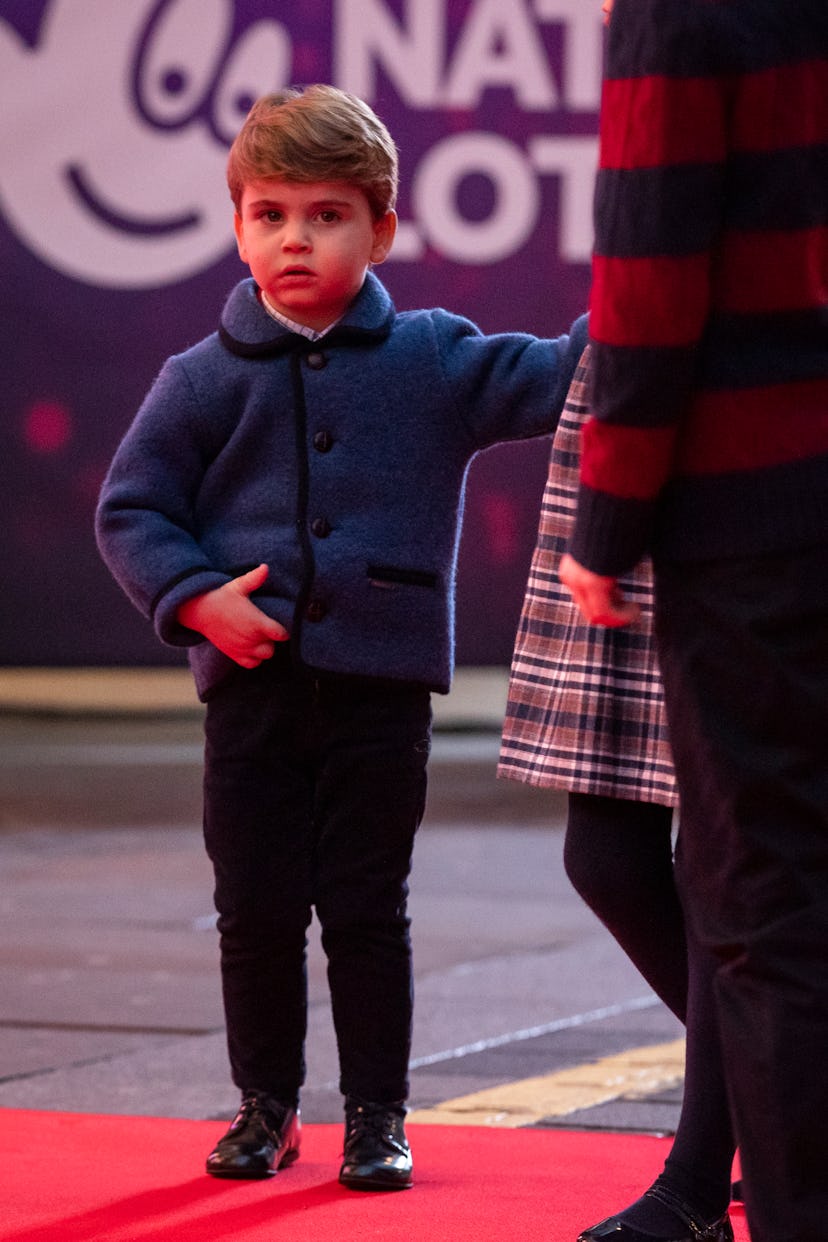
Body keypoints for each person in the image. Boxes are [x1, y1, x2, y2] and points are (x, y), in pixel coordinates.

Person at [95, 84, 588, 1192]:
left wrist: (656, 281)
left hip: (380, 692)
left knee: (369, 907)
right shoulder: (200, 378)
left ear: (382, 229)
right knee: (254, 908)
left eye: (326, 215)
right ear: (237, 225)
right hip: (251, 692)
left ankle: (378, 1114)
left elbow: (564, 375)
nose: (295, 238)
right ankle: (265, 1107)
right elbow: (131, 509)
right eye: (269, 213)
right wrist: (196, 596)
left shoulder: (433, 358)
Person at [558, 3, 828, 1239]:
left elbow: (652, 275)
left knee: (767, 899)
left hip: (759, 508)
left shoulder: (684, 12)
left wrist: (608, 520)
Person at [499, 344, 735, 1242]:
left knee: (724, 864)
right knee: (604, 854)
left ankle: (698, 1184)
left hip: (743, 416)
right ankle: (785, 1091)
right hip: (628, 402)